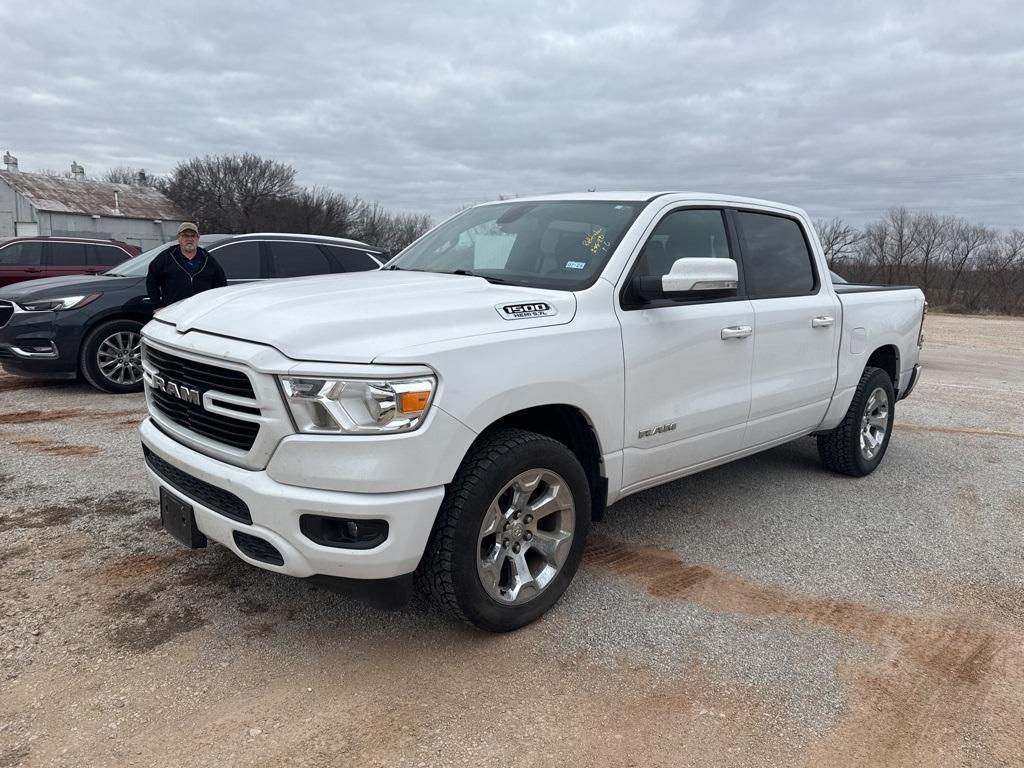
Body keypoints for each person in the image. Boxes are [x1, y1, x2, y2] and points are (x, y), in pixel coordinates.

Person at [146, 222, 227, 308]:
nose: (189, 239)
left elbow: (221, 285)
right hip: (173, 310)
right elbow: (152, 282)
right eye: (185, 235)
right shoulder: (166, 257)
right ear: (178, 238)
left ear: (198, 238)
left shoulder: (207, 258)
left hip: (201, 310)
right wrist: (157, 306)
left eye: (193, 236)